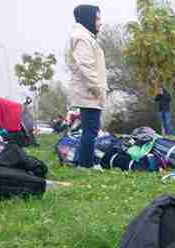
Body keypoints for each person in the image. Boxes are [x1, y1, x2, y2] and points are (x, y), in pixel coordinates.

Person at [66, 5, 107, 169]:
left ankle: (80, 160)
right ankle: (85, 164)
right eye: (97, 18)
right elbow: (86, 67)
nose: (100, 23)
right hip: (89, 91)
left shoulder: (83, 36)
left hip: (88, 90)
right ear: (88, 18)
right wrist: (97, 89)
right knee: (91, 129)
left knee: (88, 128)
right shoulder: (81, 38)